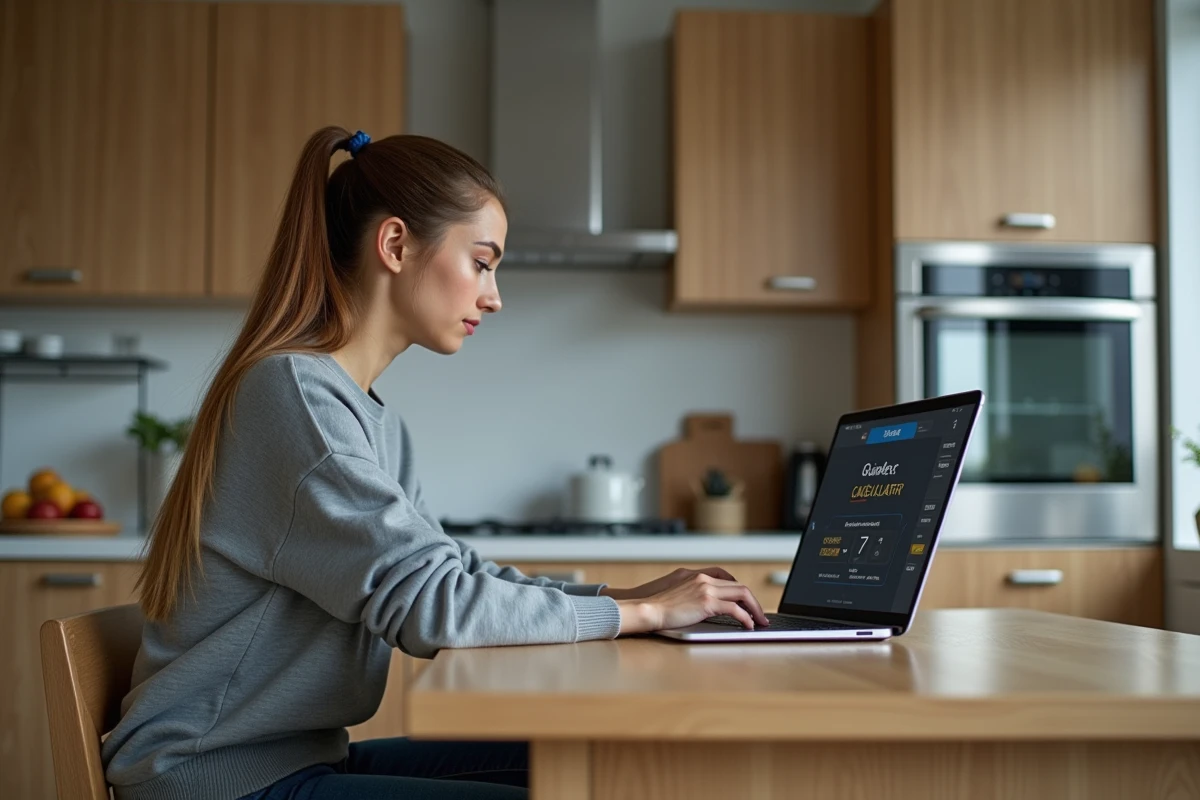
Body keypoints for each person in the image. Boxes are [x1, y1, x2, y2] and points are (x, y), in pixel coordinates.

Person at [101, 127, 770, 800]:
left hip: (297, 758)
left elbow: (451, 576)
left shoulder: (368, 416)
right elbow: (432, 610)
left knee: (600, 762)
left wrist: (629, 597)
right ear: (394, 245)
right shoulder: (295, 394)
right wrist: (647, 617)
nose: (494, 296)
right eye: (482, 262)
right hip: (215, 780)